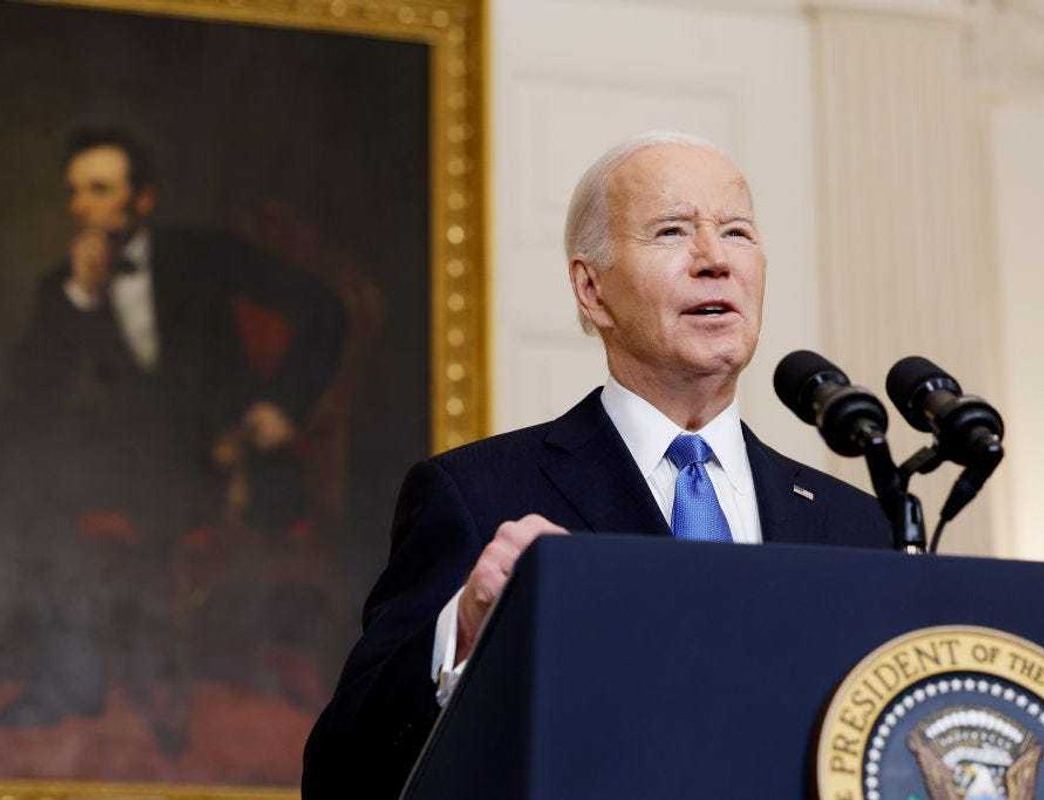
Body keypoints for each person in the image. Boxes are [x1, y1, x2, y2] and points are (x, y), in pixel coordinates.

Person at [300, 131, 892, 797]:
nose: (714, 260)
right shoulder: (476, 494)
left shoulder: (855, 526)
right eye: (673, 231)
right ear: (592, 290)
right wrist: (462, 636)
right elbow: (340, 778)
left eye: (737, 233)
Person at [0, 128, 344, 747]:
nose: (81, 207)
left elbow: (325, 308)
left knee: (27, 481)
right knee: (16, 471)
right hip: (129, 469)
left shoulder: (206, 255)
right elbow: (26, 410)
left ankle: (41, 672)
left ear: (142, 200)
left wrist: (283, 404)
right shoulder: (62, 286)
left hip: (223, 466)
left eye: (99, 190)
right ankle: (32, 665)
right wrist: (80, 299)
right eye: (74, 192)